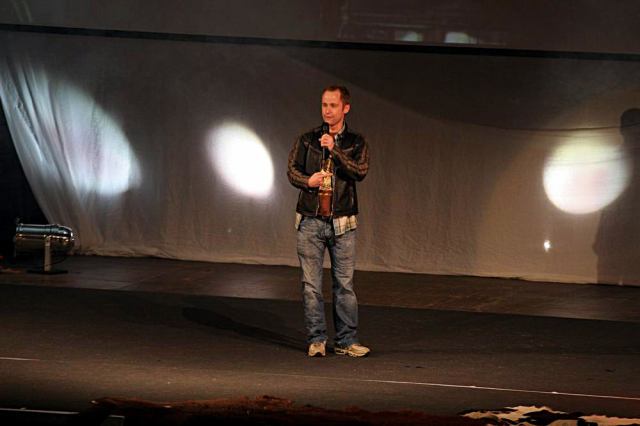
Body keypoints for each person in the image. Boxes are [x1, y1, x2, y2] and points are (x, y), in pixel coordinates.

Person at [287, 85, 370, 357]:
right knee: (311, 285)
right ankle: (317, 339)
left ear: (345, 108)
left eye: (333, 105)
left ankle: (346, 341)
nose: (327, 110)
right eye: (324, 104)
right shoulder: (308, 139)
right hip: (311, 221)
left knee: (344, 285)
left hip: (342, 222)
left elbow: (360, 171)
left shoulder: (356, 142)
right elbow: (292, 170)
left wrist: (335, 150)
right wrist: (307, 181)